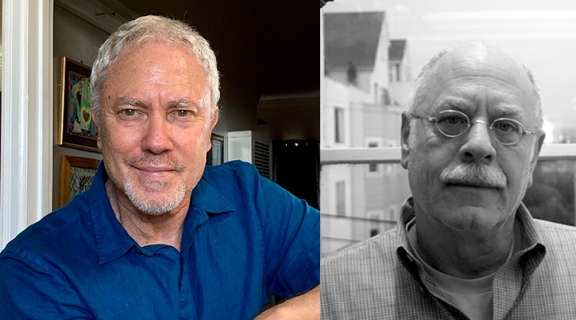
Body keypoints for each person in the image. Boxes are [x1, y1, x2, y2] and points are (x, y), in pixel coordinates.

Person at [0, 15, 319, 319]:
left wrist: (283, 315)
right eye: (130, 111)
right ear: (98, 126)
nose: (156, 141)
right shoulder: (35, 269)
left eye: (181, 112)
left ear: (210, 128)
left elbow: (366, 264)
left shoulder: (250, 199)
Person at [321, 43, 576, 319]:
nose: (479, 145)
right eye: (452, 119)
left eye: (506, 126)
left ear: (533, 158)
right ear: (407, 139)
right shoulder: (330, 293)